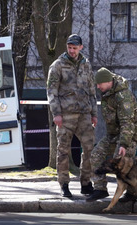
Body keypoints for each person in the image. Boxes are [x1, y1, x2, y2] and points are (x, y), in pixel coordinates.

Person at [47, 34, 98, 197]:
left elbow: (92, 90)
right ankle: (64, 185)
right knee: (63, 151)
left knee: (90, 148)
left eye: (75, 48)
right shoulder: (57, 65)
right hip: (65, 115)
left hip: (84, 114)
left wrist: (94, 113)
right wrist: (56, 113)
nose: (72, 51)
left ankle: (86, 183)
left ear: (81, 47)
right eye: (69, 47)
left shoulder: (86, 64)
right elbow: (51, 91)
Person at [86, 67, 137, 202]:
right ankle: (100, 189)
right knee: (95, 156)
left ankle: (132, 193)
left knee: (122, 163)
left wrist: (124, 144)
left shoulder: (123, 96)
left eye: (100, 84)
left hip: (128, 135)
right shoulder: (108, 93)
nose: (98, 87)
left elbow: (127, 122)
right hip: (113, 135)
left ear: (108, 81)